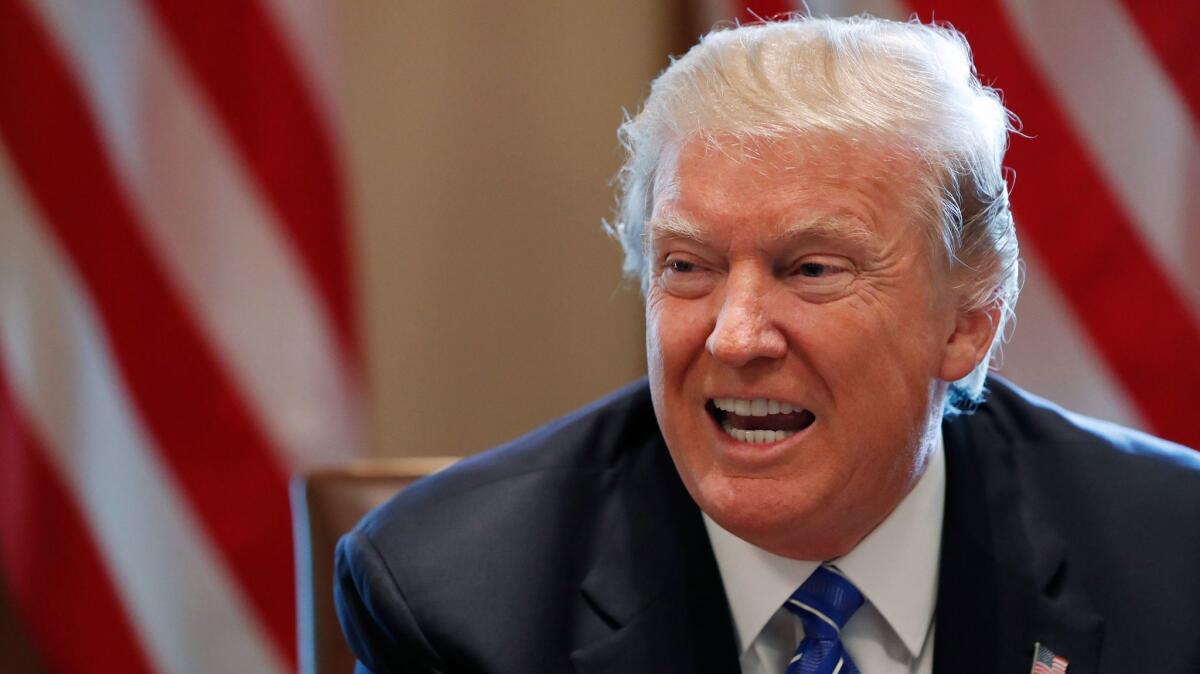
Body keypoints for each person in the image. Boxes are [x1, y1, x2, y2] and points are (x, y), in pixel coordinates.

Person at [335, 15, 1200, 674]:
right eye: (687, 266)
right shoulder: (454, 598)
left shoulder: (1174, 559)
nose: (736, 335)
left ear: (967, 319)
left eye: (812, 269)